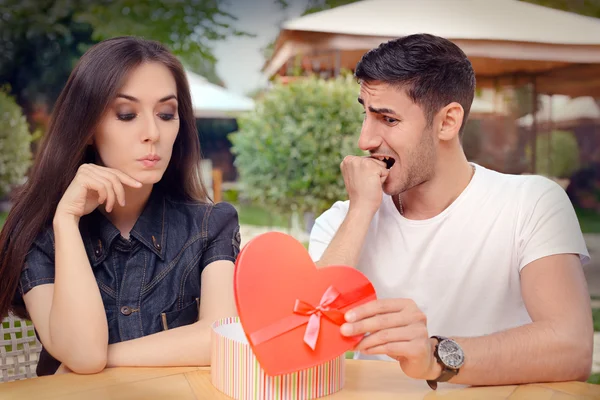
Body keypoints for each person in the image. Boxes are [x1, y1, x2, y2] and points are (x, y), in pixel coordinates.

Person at [308, 33, 593, 388]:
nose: (365, 140)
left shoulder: (530, 203)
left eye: (388, 120)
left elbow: (571, 348)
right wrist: (361, 210)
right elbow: (302, 335)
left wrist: (435, 357)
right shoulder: (341, 221)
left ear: (447, 122)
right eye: (366, 114)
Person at [0, 37, 240, 376]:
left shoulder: (212, 224)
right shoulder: (41, 233)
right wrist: (67, 222)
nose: (152, 133)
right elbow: (83, 355)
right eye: (126, 114)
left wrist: (107, 356)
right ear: (87, 128)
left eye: (166, 114)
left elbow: (220, 339)